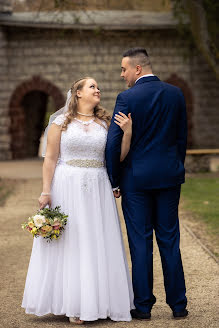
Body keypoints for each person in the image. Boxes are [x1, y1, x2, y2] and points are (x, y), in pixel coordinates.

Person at [22, 77, 134, 324]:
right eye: (92, 86)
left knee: (96, 240)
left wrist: (127, 133)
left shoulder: (105, 124)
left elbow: (118, 158)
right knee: (72, 242)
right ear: (78, 93)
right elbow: (50, 159)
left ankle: (99, 302)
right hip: (66, 184)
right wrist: (45, 191)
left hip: (97, 185)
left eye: (98, 86)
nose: (98, 90)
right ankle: (73, 303)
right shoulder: (59, 123)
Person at [106, 47, 188, 320]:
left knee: (140, 243)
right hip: (168, 177)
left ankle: (143, 306)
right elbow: (181, 139)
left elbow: (113, 143)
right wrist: (175, 167)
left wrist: (114, 179)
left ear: (137, 69)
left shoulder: (127, 98)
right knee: (169, 240)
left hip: (135, 181)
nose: (122, 75)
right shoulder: (176, 94)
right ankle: (178, 305)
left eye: (124, 69)